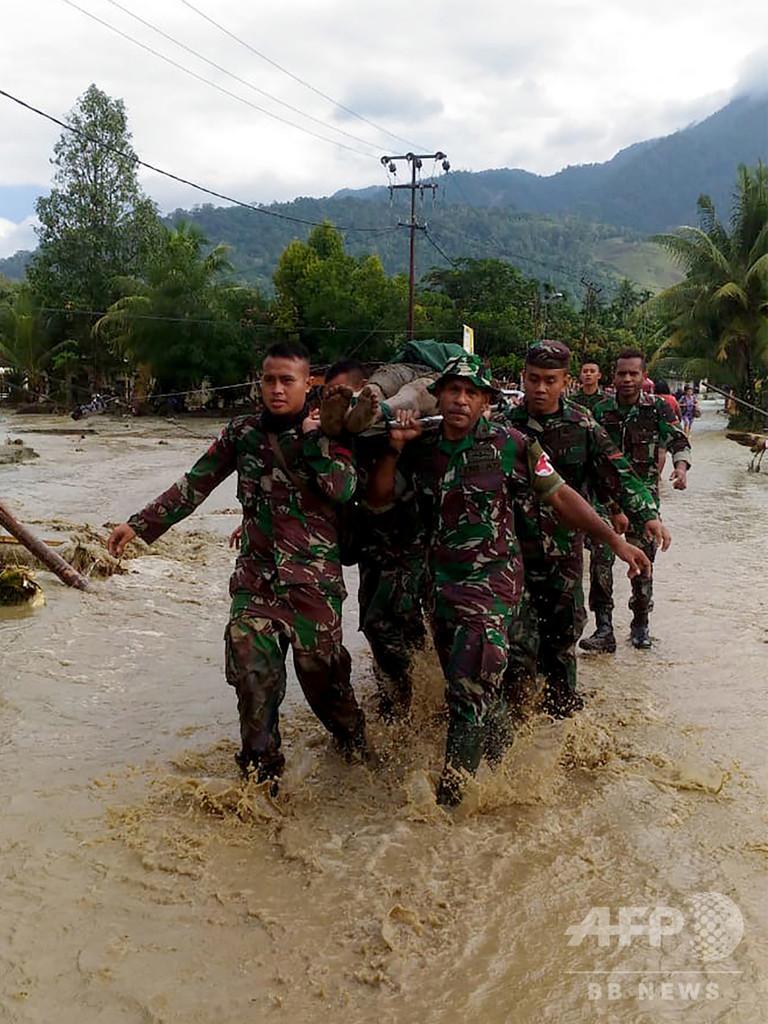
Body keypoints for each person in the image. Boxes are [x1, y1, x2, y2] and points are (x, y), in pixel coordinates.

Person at [367, 353, 651, 806]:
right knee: (480, 691)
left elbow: (560, 494)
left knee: (467, 694)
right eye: (453, 390)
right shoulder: (421, 446)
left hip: (493, 589)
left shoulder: (512, 444)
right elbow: (380, 500)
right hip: (439, 591)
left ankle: (450, 807)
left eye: (472, 392)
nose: (461, 399)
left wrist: (615, 542)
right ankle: (510, 771)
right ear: (438, 395)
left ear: (485, 402)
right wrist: (394, 448)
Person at [107, 341, 372, 791]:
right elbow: (196, 484)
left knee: (324, 684)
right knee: (252, 681)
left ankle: (356, 749)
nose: (276, 388)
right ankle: (260, 783)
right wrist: (139, 525)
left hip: (314, 589)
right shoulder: (243, 433)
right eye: (268, 379)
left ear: (308, 384)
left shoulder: (331, 433)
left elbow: (342, 489)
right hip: (256, 585)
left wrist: (311, 440)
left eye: (287, 380)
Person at [502, 341, 668, 716]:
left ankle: (562, 730)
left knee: (561, 647)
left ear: (566, 383)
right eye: (533, 380)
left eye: (549, 380)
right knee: (516, 650)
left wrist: (648, 515)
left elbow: (619, 474)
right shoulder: (501, 428)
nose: (540, 389)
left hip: (563, 557)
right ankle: (518, 732)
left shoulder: (583, 427)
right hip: (511, 559)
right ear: (523, 379)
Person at [322, 359, 427, 720]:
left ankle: (412, 707)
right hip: (372, 549)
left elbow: (381, 498)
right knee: (379, 626)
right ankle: (399, 704)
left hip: (410, 546)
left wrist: (393, 446)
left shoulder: (401, 428)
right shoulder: (336, 437)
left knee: (403, 626)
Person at [588, 348, 691, 650]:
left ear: (644, 376)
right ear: (614, 377)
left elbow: (678, 441)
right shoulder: (599, 412)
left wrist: (681, 468)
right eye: (622, 373)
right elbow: (592, 459)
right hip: (605, 502)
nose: (628, 379)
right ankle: (603, 628)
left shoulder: (658, 410)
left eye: (634, 373)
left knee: (643, 566)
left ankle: (641, 624)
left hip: (644, 504)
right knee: (600, 562)